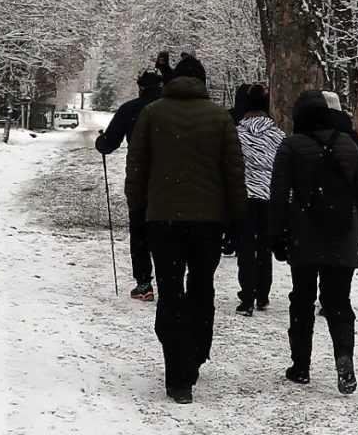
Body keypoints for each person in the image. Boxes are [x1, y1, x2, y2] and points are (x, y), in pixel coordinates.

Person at [125, 50, 247, 404]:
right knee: (201, 289)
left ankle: (176, 370)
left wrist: (139, 211)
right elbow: (233, 174)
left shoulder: (152, 114)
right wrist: (237, 220)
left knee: (170, 290)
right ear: (203, 82)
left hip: (162, 220)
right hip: (208, 223)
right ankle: (194, 354)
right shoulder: (220, 118)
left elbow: (137, 169)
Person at [269, 90, 358, 395]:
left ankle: (300, 366)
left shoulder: (290, 146)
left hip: (304, 236)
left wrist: (276, 235)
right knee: (338, 302)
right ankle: (344, 361)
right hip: (344, 235)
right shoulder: (349, 144)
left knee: (301, 299)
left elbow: (278, 196)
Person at [96, 69, 163, 301]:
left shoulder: (130, 109)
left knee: (140, 230)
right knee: (166, 230)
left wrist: (101, 142)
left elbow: (109, 143)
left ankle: (144, 283)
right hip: (170, 178)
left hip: (140, 178)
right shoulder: (172, 108)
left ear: (140, 87)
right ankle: (168, 280)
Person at [232, 85, 285, 317]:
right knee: (264, 246)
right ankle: (263, 293)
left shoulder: (237, 134)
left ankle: (247, 296)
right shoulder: (278, 135)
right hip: (269, 197)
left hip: (244, 196)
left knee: (245, 247)